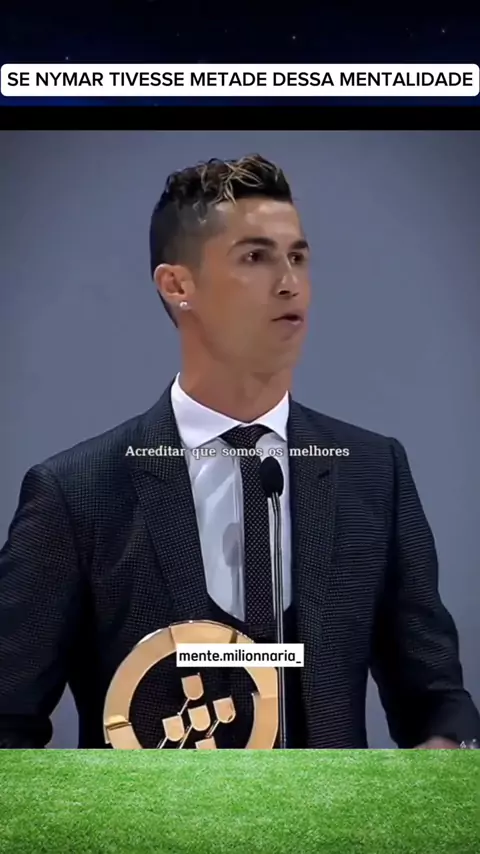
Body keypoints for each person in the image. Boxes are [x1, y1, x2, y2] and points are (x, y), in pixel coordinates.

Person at [0, 153, 478, 750]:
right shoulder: (77, 494)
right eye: (256, 257)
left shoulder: (373, 474)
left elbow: (435, 698)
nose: (290, 282)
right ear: (178, 286)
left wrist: (445, 748)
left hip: (334, 815)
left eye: (297, 257)